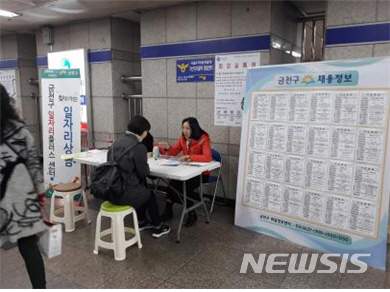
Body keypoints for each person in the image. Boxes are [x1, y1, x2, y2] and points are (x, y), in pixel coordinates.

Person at [0, 84, 47, 289]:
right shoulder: (20, 130)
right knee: (29, 248)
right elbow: (34, 165)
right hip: (22, 199)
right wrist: (40, 194)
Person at [108, 116, 170, 238]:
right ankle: (158, 226)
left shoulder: (117, 142)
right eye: (147, 131)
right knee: (149, 195)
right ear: (142, 131)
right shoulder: (138, 146)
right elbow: (144, 173)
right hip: (123, 192)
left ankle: (141, 222)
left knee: (141, 187)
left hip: (111, 188)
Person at [159, 117, 212, 227]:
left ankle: (192, 213)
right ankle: (168, 212)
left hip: (200, 174)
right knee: (171, 187)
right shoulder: (183, 139)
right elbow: (173, 152)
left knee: (183, 189)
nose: (185, 131)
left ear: (194, 128)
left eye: (188, 128)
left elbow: (207, 157)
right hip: (185, 172)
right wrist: (167, 148)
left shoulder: (204, 138)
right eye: (183, 128)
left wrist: (189, 157)